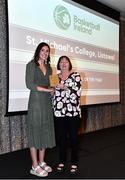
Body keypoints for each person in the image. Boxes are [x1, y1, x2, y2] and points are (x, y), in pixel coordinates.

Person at [25, 42, 55, 177]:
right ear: (38, 51)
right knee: (35, 132)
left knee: (44, 130)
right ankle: (34, 165)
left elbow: (51, 85)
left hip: (46, 103)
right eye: (43, 50)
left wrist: (53, 90)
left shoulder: (49, 68)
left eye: (47, 51)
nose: (45, 53)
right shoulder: (31, 65)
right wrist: (46, 89)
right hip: (36, 102)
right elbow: (29, 84)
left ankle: (42, 162)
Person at [53, 55, 81, 174]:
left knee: (74, 138)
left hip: (73, 112)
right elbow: (53, 95)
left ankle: (74, 162)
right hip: (59, 113)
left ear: (69, 64)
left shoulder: (76, 76)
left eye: (66, 62)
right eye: (61, 62)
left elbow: (77, 94)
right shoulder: (54, 77)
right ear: (59, 65)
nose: (63, 64)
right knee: (61, 138)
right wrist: (51, 92)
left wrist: (64, 87)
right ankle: (61, 161)